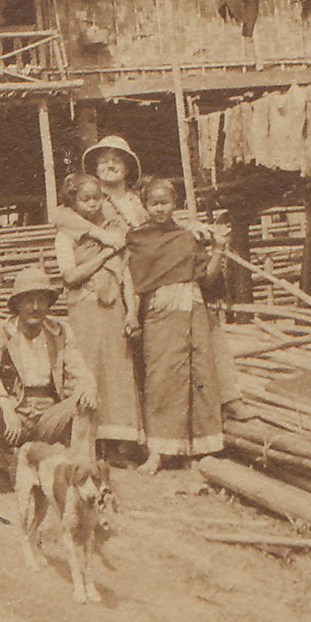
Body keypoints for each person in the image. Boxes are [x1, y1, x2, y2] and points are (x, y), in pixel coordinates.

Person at [54, 134, 251, 421]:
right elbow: (60, 218)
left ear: (128, 166)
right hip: (123, 283)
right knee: (135, 354)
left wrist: (189, 225)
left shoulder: (140, 199)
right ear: (94, 169)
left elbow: (165, 219)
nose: (110, 164)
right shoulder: (90, 203)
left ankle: (228, 396)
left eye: (117, 159)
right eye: (103, 159)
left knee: (203, 325)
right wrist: (102, 235)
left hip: (157, 275)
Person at [0, 266, 98, 497]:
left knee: (85, 402)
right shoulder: (2, 332)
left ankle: (81, 471)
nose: (35, 307)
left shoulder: (60, 332)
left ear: (48, 303)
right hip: (14, 413)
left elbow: (81, 371)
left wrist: (89, 386)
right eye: (28, 301)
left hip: (48, 415)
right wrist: (6, 408)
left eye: (41, 300)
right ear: (17, 304)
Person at [126, 178, 226, 474]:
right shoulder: (138, 238)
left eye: (165, 202)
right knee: (160, 377)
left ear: (175, 204)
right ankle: (158, 452)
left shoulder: (187, 237)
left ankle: (193, 450)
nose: (159, 208)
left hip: (192, 308)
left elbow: (207, 280)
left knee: (198, 375)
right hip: (160, 310)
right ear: (144, 206)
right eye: (153, 203)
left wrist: (218, 250)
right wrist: (132, 314)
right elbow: (134, 282)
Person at [53, 174, 143, 459]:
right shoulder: (66, 235)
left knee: (117, 372)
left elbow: (126, 276)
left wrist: (132, 314)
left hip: (113, 309)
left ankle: (118, 443)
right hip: (84, 309)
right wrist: (103, 256)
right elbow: (70, 276)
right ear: (73, 203)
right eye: (85, 199)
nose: (92, 204)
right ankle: (90, 442)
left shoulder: (115, 232)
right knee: (88, 370)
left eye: (97, 198)